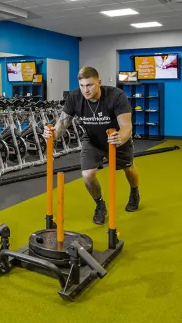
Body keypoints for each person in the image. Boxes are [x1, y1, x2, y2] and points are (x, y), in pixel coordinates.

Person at [44, 66, 140, 224]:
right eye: (82, 86)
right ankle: (100, 205)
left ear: (99, 82)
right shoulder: (75, 97)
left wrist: (120, 138)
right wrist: (53, 133)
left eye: (89, 85)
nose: (85, 90)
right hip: (92, 139)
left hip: (116, 138)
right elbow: (62, 123)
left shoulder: (116, 96)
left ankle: (135, 192)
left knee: (128, 169)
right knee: (87, 175)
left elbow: (127, 127)